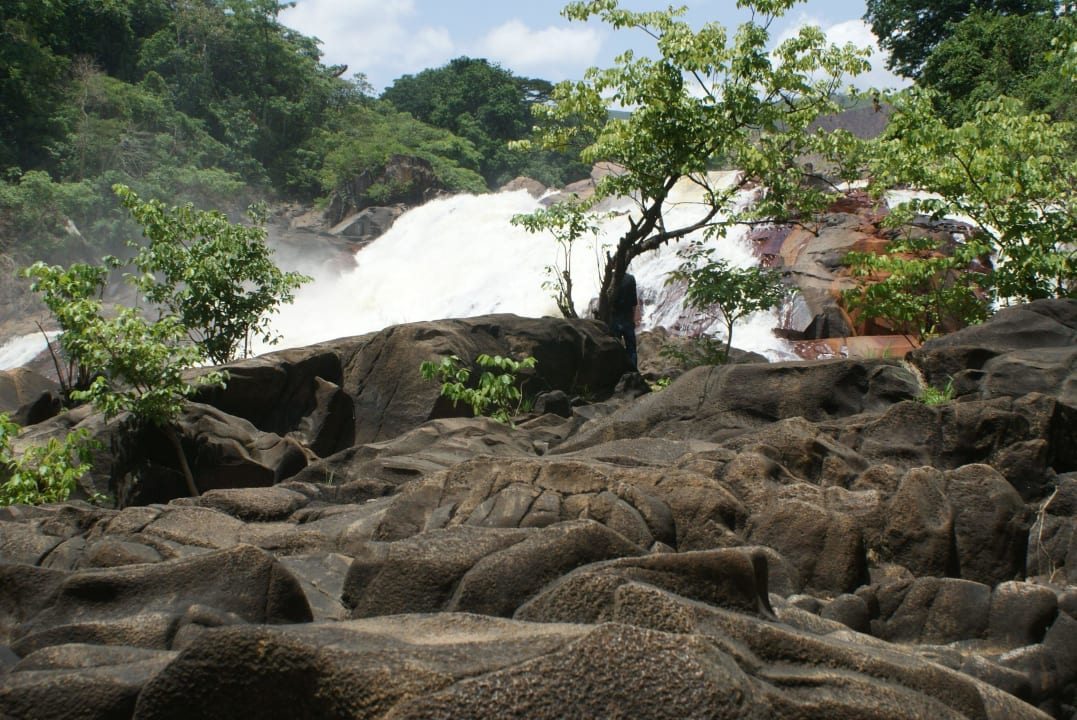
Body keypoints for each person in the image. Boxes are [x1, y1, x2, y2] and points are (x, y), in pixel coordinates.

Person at [610, 270, 640, 371]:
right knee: (631, 348)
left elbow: (607, 301)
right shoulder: (630, 278)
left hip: (614, 319)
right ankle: (633, 372)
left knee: (615, 347)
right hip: (627, 318)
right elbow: (634, 302)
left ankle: (617, 371)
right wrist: (634, 319)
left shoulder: (611, 279)